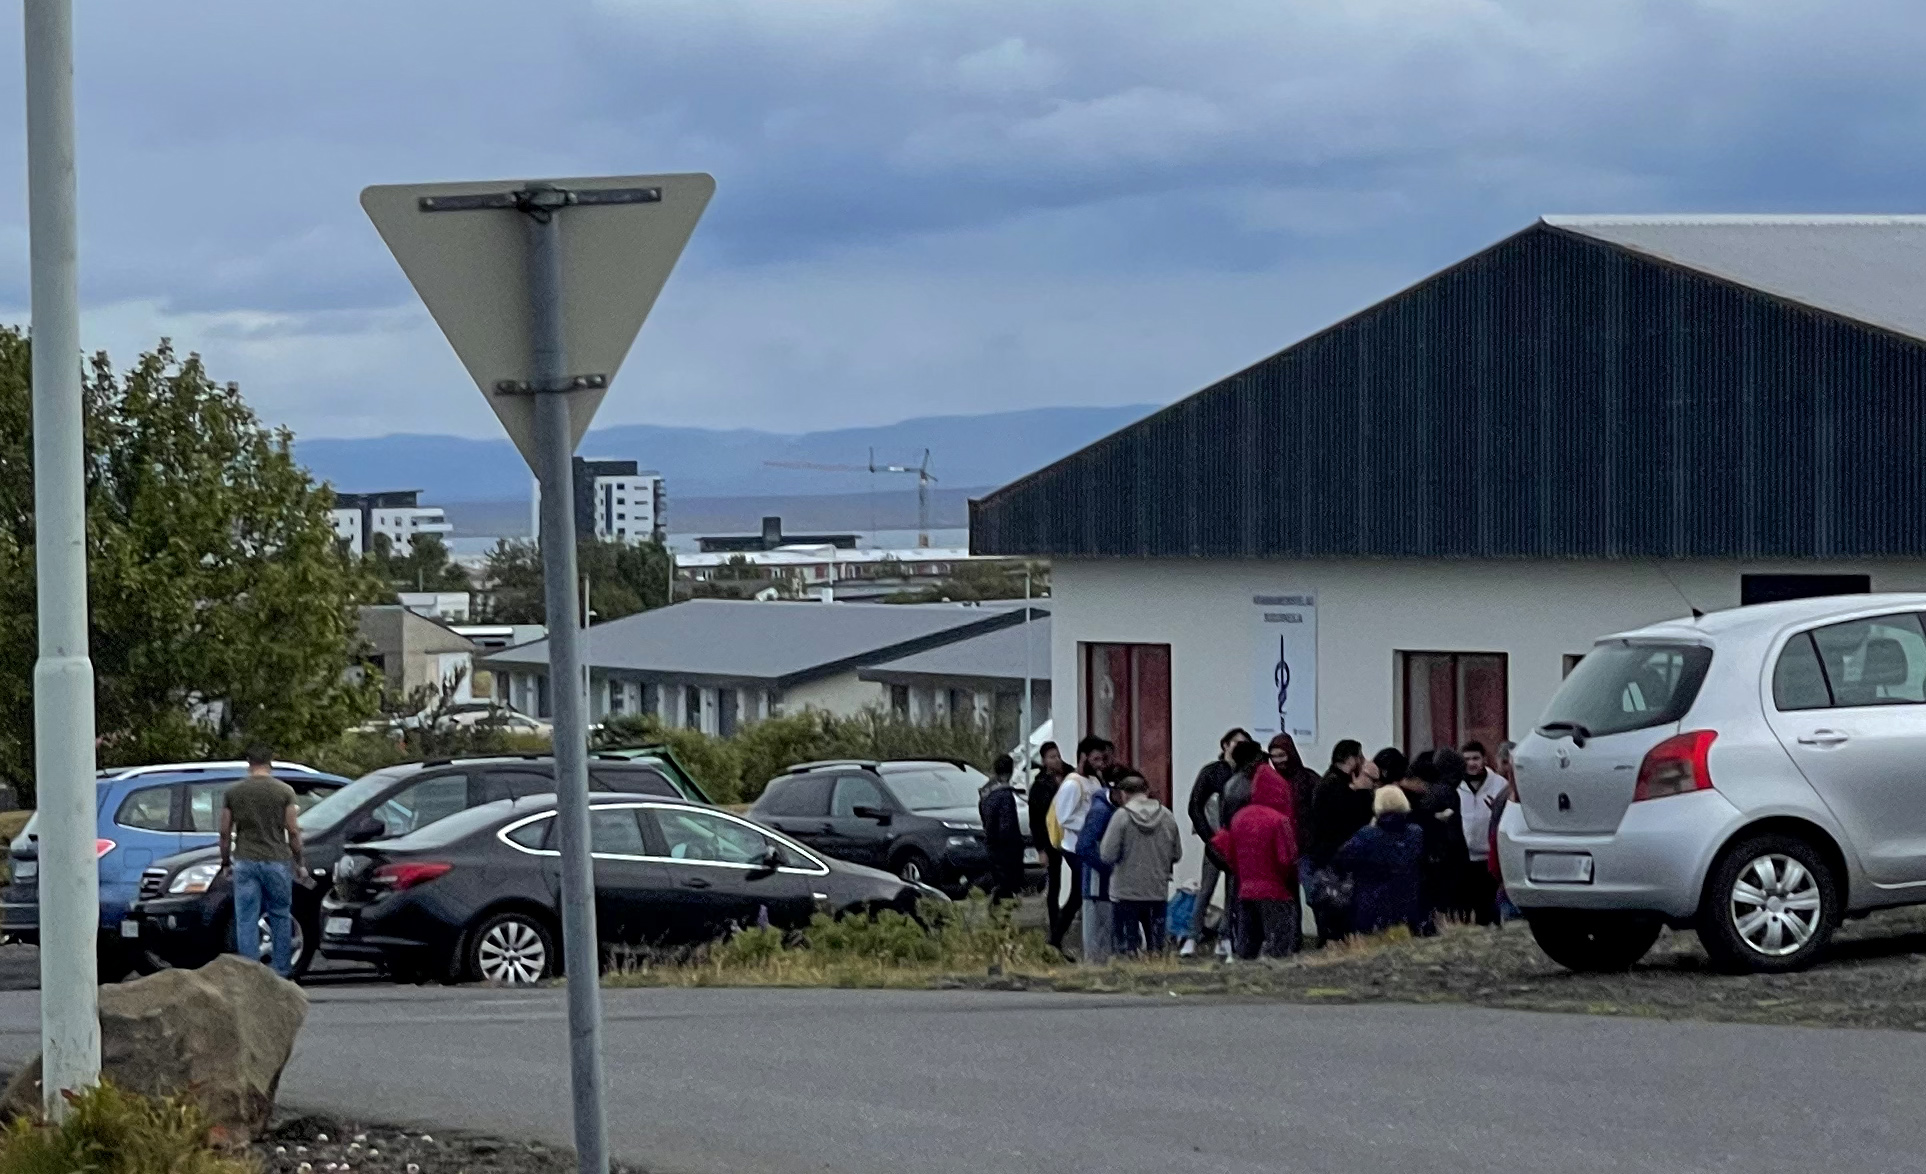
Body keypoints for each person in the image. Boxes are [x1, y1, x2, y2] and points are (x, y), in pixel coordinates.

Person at [220, 744, 306, 977]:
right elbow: (293, 830)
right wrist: (300, 863)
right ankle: (281, 971)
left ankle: (251, 973)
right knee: (280, 914)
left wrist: (225, 862)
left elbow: (225, 832)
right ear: (271, 762)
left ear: (249, 762)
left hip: (246, 860)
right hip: (277, 860)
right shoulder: (284, 791)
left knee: (246, 917)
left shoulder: (234, 792)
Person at [1212, 757, 1299, 960]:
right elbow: (1286, 860)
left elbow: (1229, 854)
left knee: (1247, 948)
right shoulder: (1279, 820)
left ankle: (1245, 982)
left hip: (1246, 890)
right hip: (1276, 892)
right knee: (1279, 948)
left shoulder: (1239, 817)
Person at [1181, 728, 1250, 957]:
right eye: (1236, 743)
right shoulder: (1211, 772)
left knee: (1233, 892)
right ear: (1225, 745)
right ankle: (1192, 936)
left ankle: (1226, 936)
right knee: (1206, 889)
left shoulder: (1247, 774)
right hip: (1215, 840)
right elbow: (1196, 805)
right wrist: (1208, 837)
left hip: (1239, 842)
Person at [1101, 770, 1183, 956]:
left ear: (1124, 794)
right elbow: (1177, 854)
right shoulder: (1167, 816)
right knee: (1156, 946)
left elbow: (1107, 854)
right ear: (1146, 790)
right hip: (1157, 890)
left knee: (1127, 948)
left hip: (1125, 892)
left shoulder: (1121, 817)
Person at [1306, 747, 1378, 945]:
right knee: (1337, 906)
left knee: (1332, 904)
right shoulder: (1336, 787)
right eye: (1360, 756)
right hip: (1334, 856)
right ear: (1351, 759)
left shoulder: (1329, 782)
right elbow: (1352, 820)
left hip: (1329, 854)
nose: (1363, 761)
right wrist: (1363, 793)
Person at [1333, 785, 1427, 936]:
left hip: (1372, 904)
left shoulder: (1367, 835)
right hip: (1408, 901)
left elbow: (1341, 860)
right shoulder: (1416, 833)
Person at [1052, 737, 1112, 954]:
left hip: (1090, 844)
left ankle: (1056, 941)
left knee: (1078, 895)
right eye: (1095, 759)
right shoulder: (1072, 784)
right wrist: (1090, 826)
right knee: (1082, 894)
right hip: (1076, 847)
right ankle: (1057, 941)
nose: (1099, 764)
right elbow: (1064, 816)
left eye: (1102, 759)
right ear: (1083, 757)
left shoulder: (1095, 782)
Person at [1417, 747, 1470, 925]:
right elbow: (1452, 833)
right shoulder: (1447, 792)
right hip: (1448, 860)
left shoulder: (1430, 789)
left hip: (1434, 860)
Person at [1457, 740, 1507, 925]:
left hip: (1489, 859)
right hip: (1465, 858)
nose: (1471, 763)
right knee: (1466, 907)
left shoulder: (1499, 784)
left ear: (1484, 759)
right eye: (1467, 759)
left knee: (1489, 907)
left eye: (1476, 758)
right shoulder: (1456, 785)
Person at [1074, 769, 1120, 964]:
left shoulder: (1111, 809)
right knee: (1097, 933)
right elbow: (1083, 846)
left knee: (1106, 931)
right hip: (1096, 883)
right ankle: (1094, 968)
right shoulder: (1100, 812)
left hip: (1107, 883)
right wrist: (1106, 866)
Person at [1028, 742, 1071, 946]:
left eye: (1058, 755)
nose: (1056, 760)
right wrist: (1040, 849)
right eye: (1051, 757)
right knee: (1054, 885)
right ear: (1044, 760)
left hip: (1071, 837)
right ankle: (1055, 928)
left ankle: (1063, 924)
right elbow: (1035, 820)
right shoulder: (1039, 786)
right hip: (1050, 839)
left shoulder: (1072, 777)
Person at [978, 754, 1026, 902]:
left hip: (992, 844)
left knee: (998, 882)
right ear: (1011, 771)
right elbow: (1008, 825)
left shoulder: (986, 792)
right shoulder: (1005, 795)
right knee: (1008, 887)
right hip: (1007, 848)